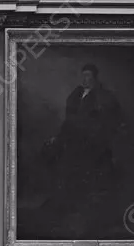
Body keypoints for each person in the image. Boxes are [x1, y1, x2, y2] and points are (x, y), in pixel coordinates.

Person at [41, 64, 124, 236]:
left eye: (89, 76)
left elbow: (107, 123)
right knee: (66, 170)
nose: (86, 79)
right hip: (73, 143)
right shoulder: (76, 95)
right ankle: (68, 211)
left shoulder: (102, 97)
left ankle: (90, 217)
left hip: (93, 145)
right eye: (84, 76)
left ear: (95, 78)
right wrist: (59, 137)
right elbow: (69, 121)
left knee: (92, 179)